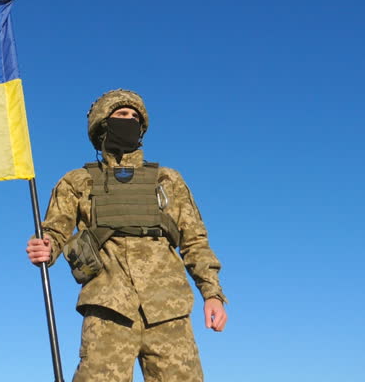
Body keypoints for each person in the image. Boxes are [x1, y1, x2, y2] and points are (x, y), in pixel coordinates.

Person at [26, 89, 227, 382]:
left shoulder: (167, 180)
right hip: (108, 309)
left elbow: (195, 240)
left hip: (168, 308)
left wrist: (213, 293)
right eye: (121, 115)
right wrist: (46, 247)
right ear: (102, 125)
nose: (129, 120)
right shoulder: (76, 182)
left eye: (135, 117)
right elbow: (54, 230)